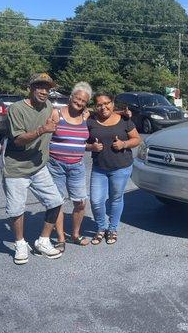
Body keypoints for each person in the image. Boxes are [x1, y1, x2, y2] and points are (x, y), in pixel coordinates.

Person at [1, 72, 64, 265]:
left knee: (55, 201)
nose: (44, 91)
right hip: (16, 168)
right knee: (16, 209)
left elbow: (62, 115)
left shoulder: (48, 107)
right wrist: (42, 130)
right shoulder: (17, 109)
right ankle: (20, 243)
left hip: (38, 166)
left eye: (47, 88)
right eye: (39, 87)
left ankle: (43, 241)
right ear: (31, 88)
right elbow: (18, 140)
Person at [86, 92, 141, 245]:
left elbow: (137, 139)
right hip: (99, 168)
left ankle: (112, 228)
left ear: (112, 103)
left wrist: (124, 144)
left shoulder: (124, 120)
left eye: (106, 103)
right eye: (99, 104)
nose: (103, 107)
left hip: (121, 167)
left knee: (116, 199)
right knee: (96, 201)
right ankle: (101, 227)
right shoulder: (90, 121)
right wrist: (91, 146)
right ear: (95, 106)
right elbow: (80, 142)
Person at [46, 82, 92, 251]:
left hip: (77, 166)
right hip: (55, 165)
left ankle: (75, 234)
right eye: (77, 98)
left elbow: (106, 113)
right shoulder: (56, 114)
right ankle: (60, 237)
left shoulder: (85, 117)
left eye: (83, 101)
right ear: (71, 97)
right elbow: (43, 133)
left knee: (80, 202)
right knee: (57, 202)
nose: (79, 103)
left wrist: (125, 113)